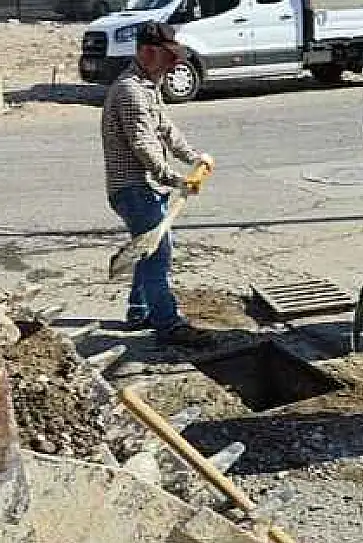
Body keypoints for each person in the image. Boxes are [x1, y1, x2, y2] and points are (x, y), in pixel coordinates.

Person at [101, 21, 216, 347]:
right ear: (147, 51)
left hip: (147, 187)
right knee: (157, 254)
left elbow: (166, 129)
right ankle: (169, 326)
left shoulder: (149, 84)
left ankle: (139, 311)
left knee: (146, 247)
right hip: (133, 190)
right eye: (168, 56)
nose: (175, 63)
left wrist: (195, 158)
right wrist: (176, 179)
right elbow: (144, 146)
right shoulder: (130, 92)